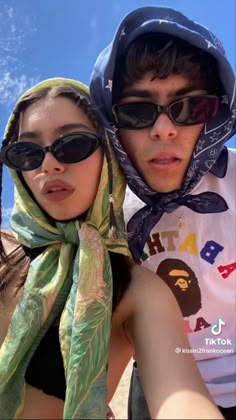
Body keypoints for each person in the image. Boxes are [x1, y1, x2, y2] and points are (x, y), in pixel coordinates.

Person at [0, 78, 223, 420]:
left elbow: (182, 399)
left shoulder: (136, 289)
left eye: (72, 145)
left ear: (109, 156)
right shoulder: (4, 252)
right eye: (27, 152)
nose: (48, 166)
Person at [90, 5, 236, 420]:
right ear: (110, 124)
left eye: (189, 108)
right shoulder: (108, 214)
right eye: (138, 110)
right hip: (152, 376)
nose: (164, 129)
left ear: (216, 116)